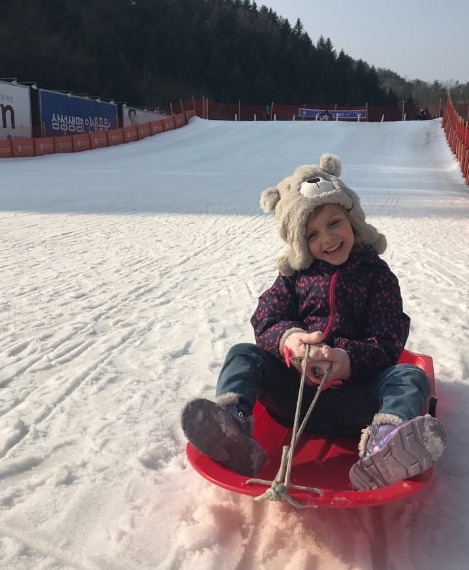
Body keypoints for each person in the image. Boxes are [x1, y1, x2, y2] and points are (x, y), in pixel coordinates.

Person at [180, 153, 446, 490]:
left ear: (353, 219)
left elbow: (389, 338)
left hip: (358, 402)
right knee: (243, 354)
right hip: (295, 398)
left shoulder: (376, 276)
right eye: (312, 234)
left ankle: (385, 444)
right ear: (299, 243)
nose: (327, 238)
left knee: (409, 376)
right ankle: (232, 428)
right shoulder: (294, 278)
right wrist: (291, 342)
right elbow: (266, 317)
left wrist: (348, 360)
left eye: (334, 222)